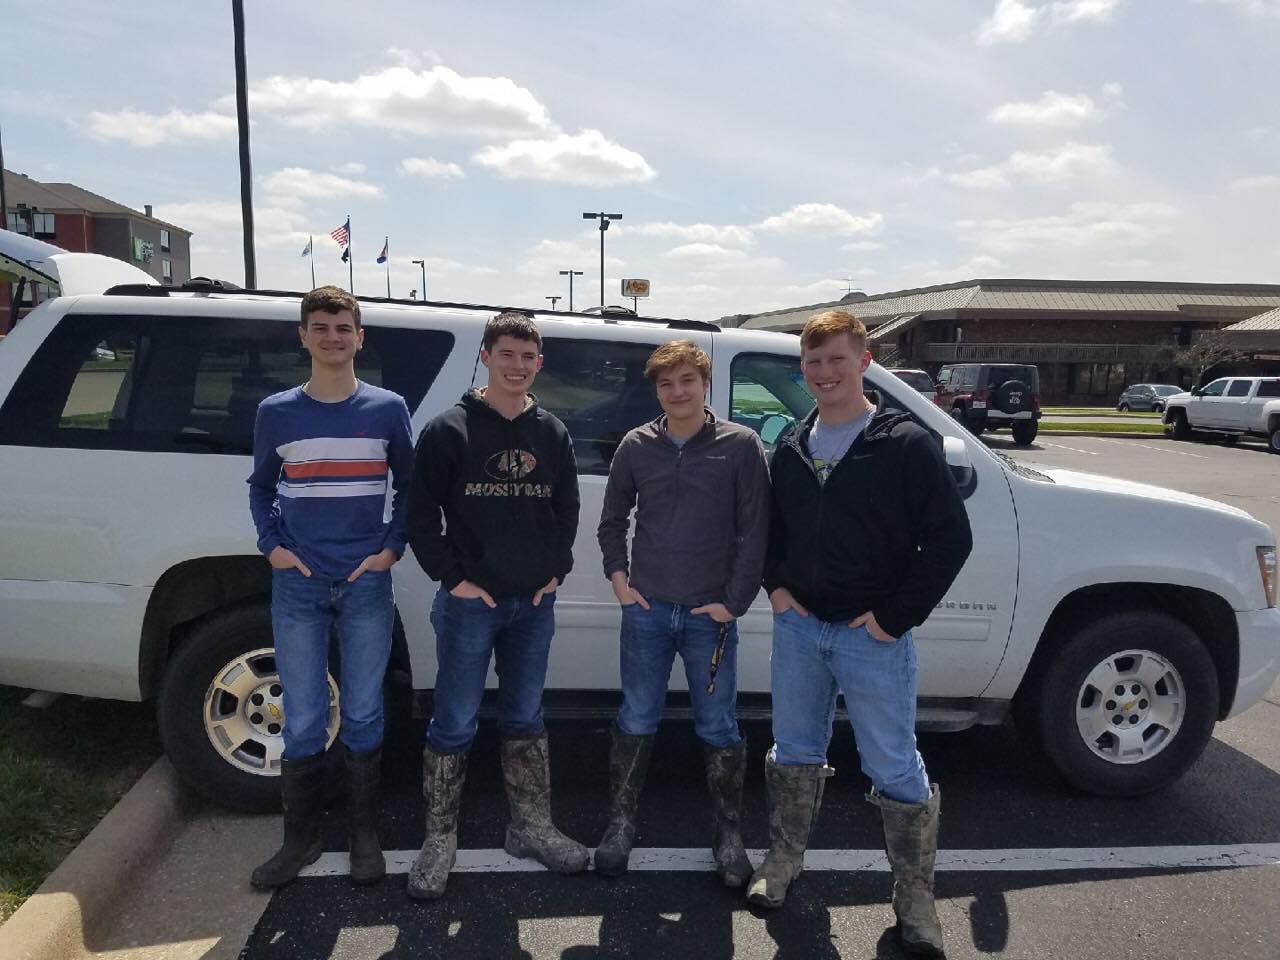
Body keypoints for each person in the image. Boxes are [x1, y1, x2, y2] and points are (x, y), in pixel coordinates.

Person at [746, 309, 972, 959]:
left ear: (864, 362)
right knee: (794, 749)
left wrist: (893, 618)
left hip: (872, 637)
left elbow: (951, 540)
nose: (823, 372)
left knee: (893, 764)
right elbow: (771, 532)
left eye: (836, 359)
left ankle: (914, 897)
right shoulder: (792, 443)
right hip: (800, 631)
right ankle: (784, 862)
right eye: (812, 362)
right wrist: (778, 590)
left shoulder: (904, 443)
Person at [403, 311, 586, 900]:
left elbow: (567, 509)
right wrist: (452, 578)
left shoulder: (552, 432)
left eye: (528, 357)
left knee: (526, 717)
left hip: (532, 605)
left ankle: (530, 828)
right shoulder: (447, 430)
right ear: (486, 356)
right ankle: (438, 840)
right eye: (506, 354)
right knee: (453, 719)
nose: (517, 366)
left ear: (540, 363)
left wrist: (557, 569)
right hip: (470, 605)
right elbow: (418, 514)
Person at [247, 285, 414, 889]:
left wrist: (391, 548)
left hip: (366, 580)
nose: (332, 337)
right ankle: (301, 840)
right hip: (300, 583)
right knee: (305, 716)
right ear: (303, 336)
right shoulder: (277, 412)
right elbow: (261, 486)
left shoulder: (387, 408)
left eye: (343, 327)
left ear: (359, 337)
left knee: (366, 710)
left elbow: (410, 487)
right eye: (320, 327)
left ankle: (362, 836)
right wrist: (274, 547)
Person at [594, 340, 770, 885]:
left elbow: (755, 532)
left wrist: (732, 604)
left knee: (718, 725)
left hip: (708, 617)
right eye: (667, 383)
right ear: (656, 390)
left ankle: (728, 833)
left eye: (687, 380)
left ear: (705, 384)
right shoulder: (636, 445)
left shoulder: (740, 446)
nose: (678, 391)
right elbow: (612, 521)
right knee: (635, 717)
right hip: (646, 610)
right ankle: (620, 824)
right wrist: (620, 581)